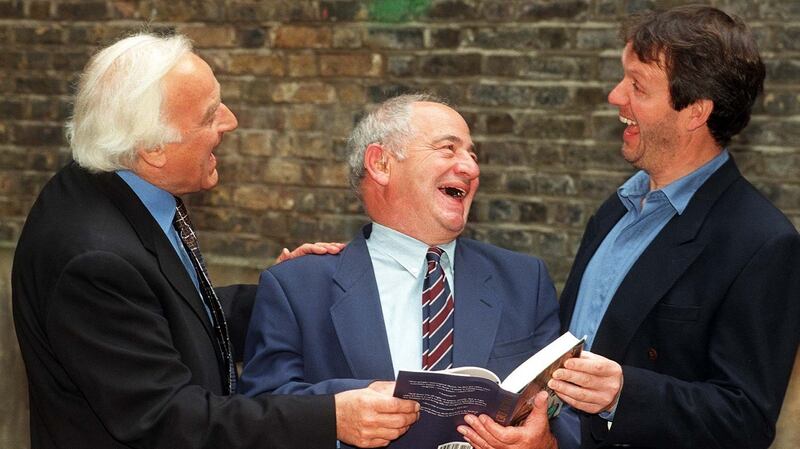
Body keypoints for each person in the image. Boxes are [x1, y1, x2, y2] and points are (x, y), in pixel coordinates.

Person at [11, 32, 419, 449]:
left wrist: (286, 294)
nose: (230, 120)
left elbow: (166, 311)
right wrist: (330, 417)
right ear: (153, 148)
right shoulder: (94, 261)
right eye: (209, 116)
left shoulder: (111, 185)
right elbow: (170, 420)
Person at [238, 94, 579, 449]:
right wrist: (338, 414)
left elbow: (567, 407)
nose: (471, 168)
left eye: (472, 155)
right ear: (381, 164)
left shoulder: (525, 281)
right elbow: (259, 412)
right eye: (448, 149)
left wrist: (547, 441)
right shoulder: (296, 286)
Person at [539, 6, 800, 449]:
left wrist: (624, 394)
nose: (615, 96)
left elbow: (746, 419)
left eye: (637, 85)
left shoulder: (763, 243)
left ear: (695, 111)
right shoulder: (615, 210)